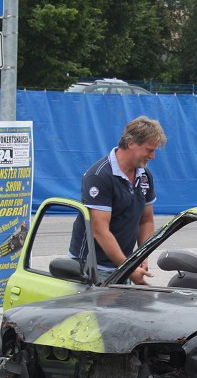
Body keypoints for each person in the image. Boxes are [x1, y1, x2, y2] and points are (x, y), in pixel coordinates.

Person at [68, 116, 167, 283]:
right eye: (149, 150)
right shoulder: (99, 176)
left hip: (124, 266)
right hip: (90, 269)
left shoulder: (144, 175)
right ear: (131, 144)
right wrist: (128, 267)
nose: (153, 156)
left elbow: (146, 221)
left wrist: (142, 257)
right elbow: (100, 231)